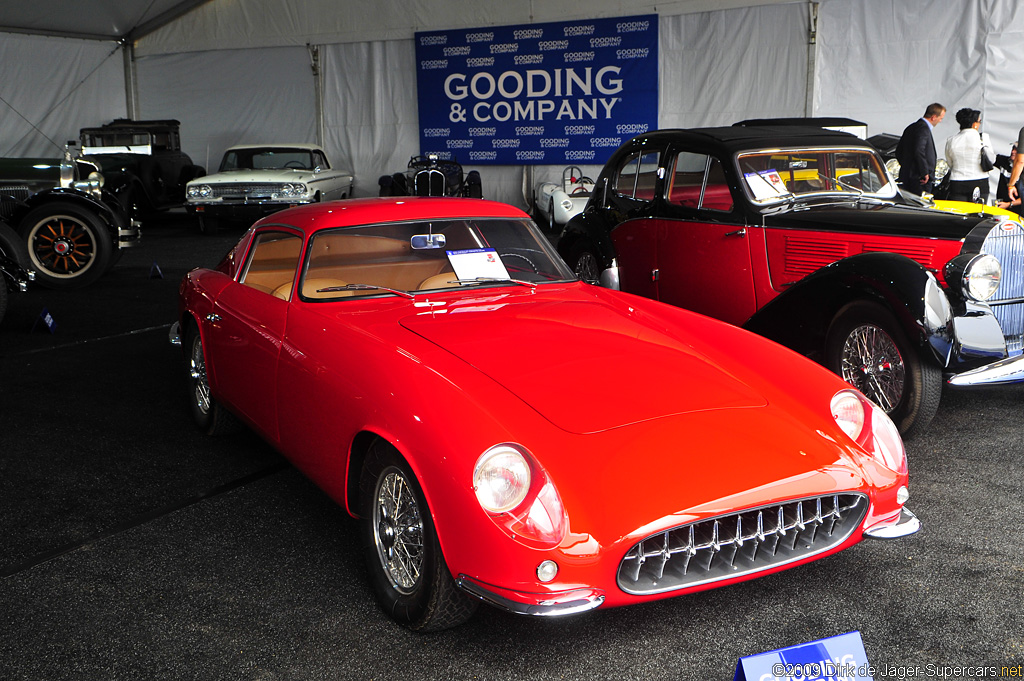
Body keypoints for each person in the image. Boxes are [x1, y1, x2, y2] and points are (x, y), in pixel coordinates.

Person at [944, 107, 994, 203]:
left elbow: (950, 162)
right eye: (979, 121)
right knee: (978, 214)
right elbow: (991, 159)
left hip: (957, 181)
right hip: (979, 180)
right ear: (974, 123)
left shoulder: (951, 140)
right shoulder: (983, 138)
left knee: (958, 214)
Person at [895, 102, 945, 194]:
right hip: (920, 180)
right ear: (933, 117)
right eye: (940, 118)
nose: (940, 121)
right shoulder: (923, 129)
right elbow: (919, 150)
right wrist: (924, 172)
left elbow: (898, 151)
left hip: (907, 177)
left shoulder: (910, 127)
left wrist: (907, 167)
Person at [996, 142, 1024, 214]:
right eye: (1013, 149)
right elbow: (989, 158)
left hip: (1019, 212)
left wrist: (1009, 204)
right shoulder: (1004, 161)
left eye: (1016, 150)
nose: (1012, 152)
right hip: (1001, 207)